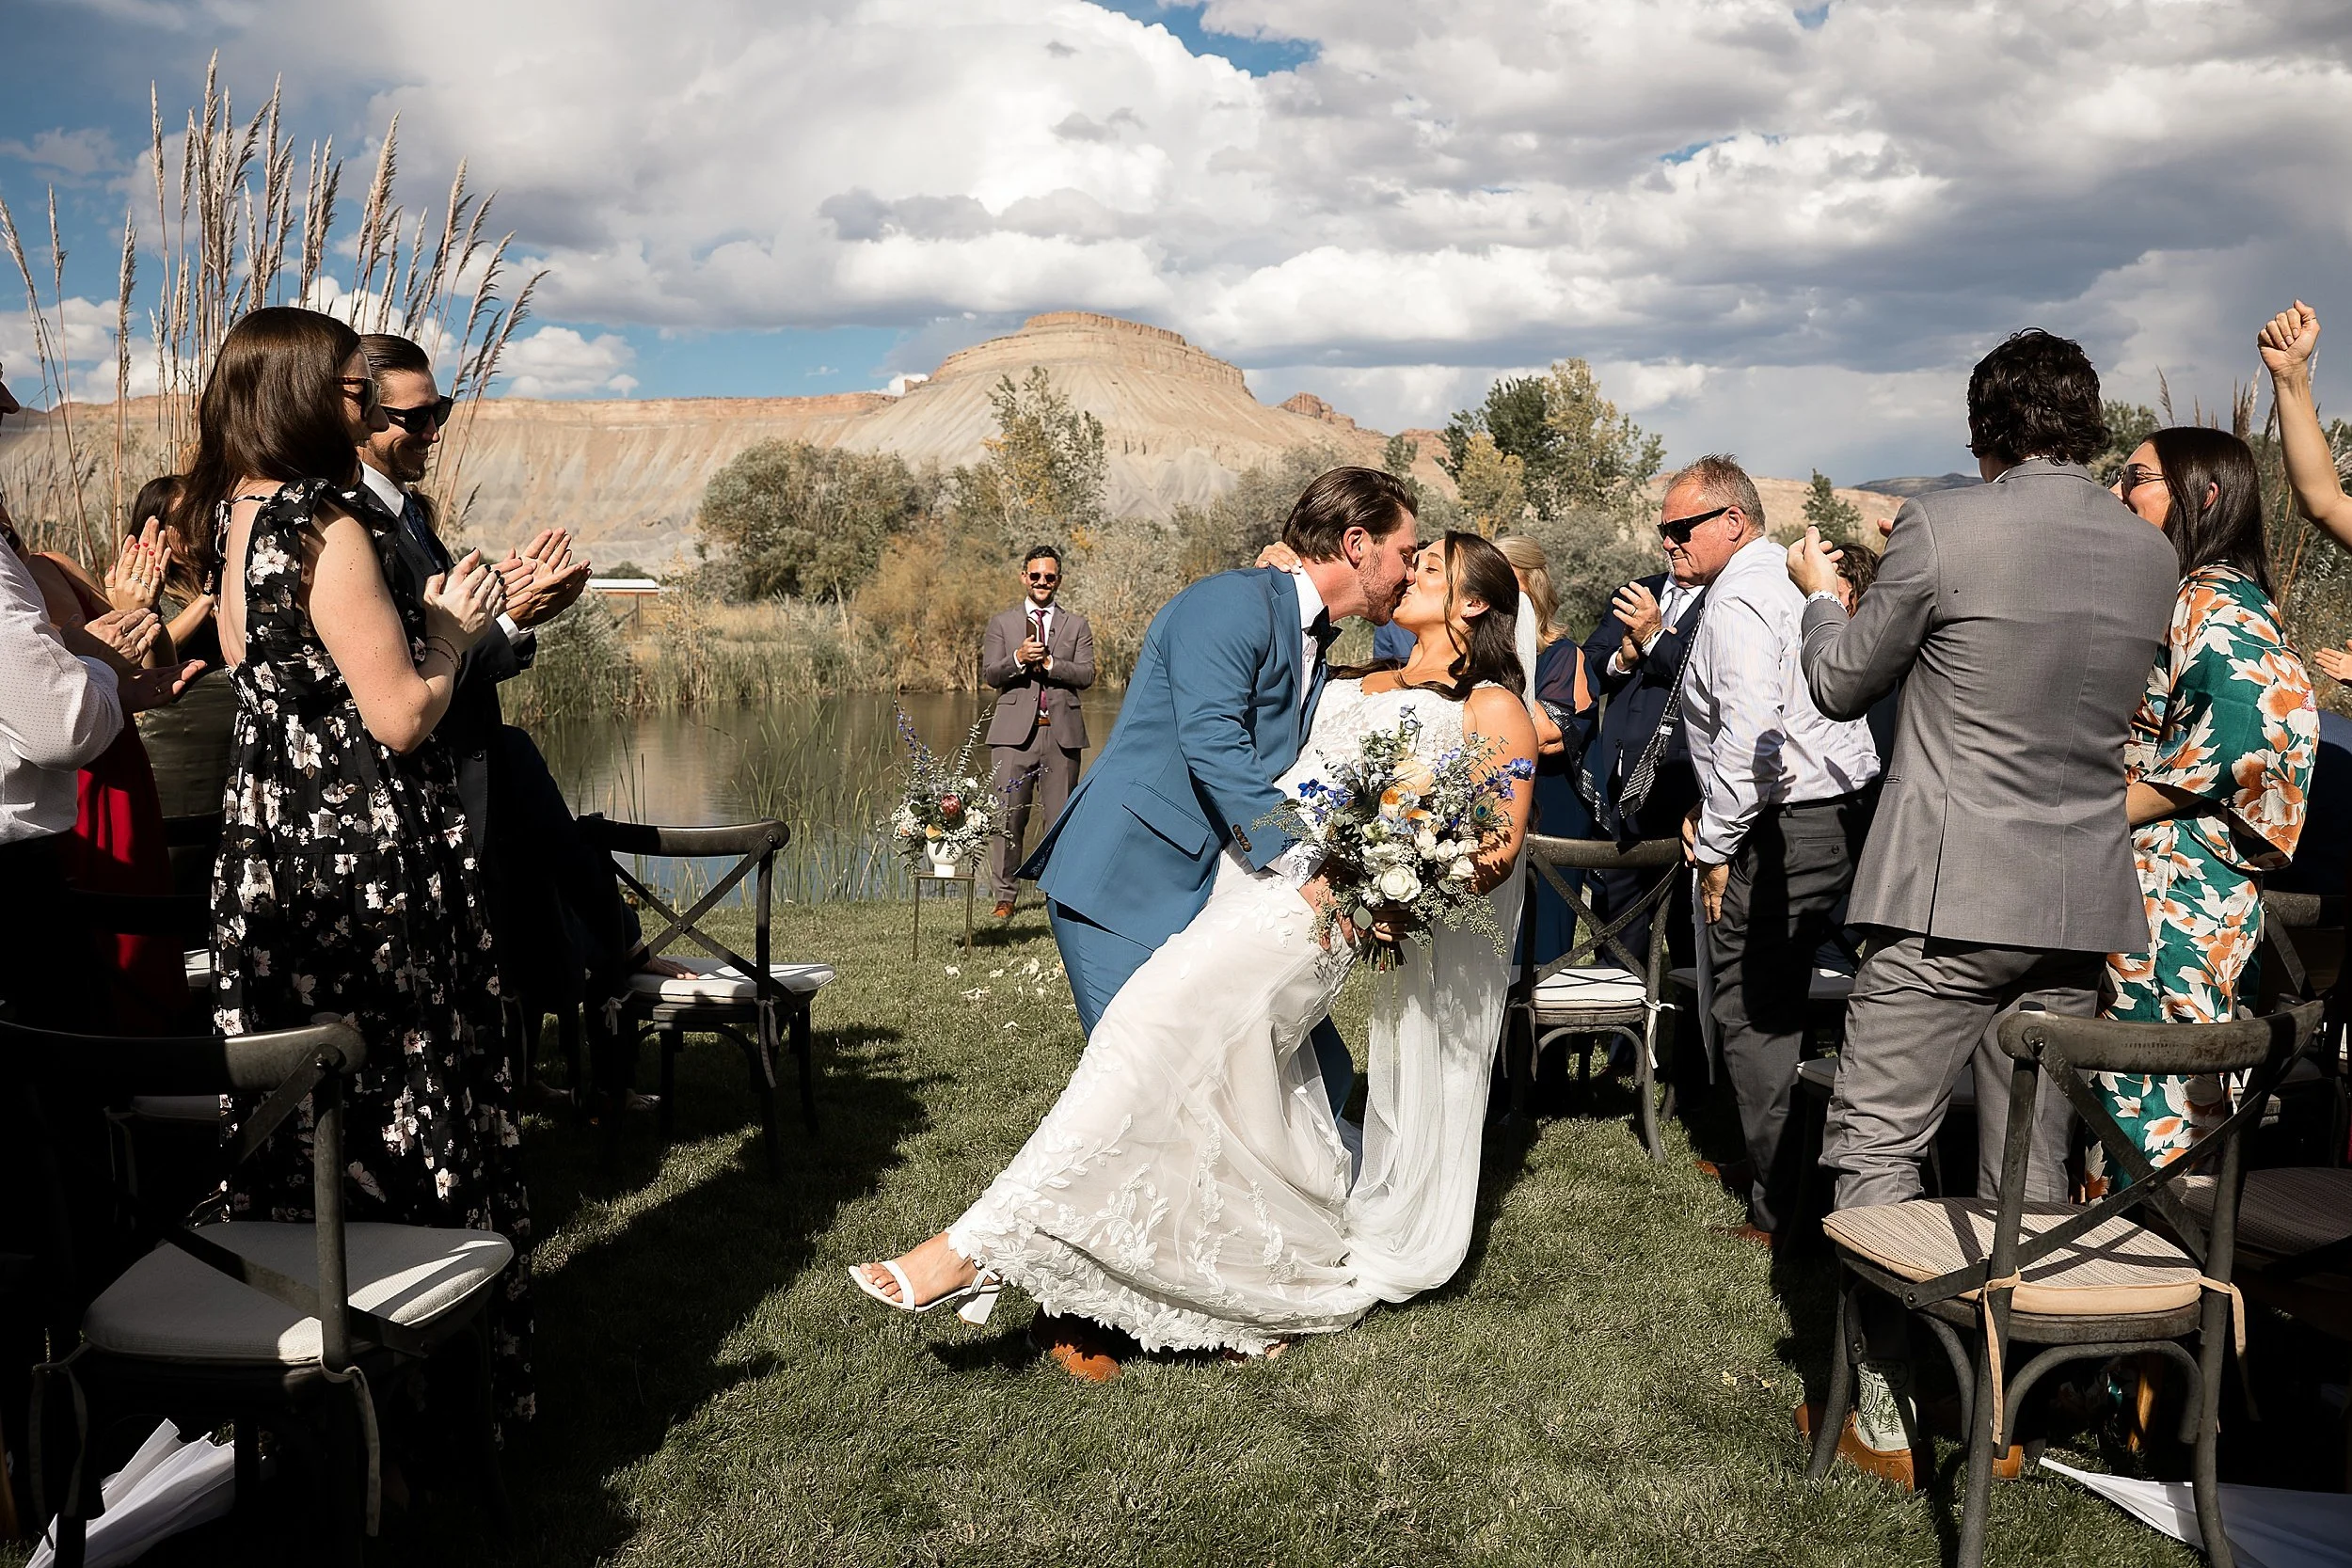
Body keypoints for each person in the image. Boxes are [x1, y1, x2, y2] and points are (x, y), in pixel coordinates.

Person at [852, 533, 1537, 1367]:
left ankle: (976, 1245)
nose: (1408, 574)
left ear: (1473, 603)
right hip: (1239, 884)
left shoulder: (1494, 707)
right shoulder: (1360, 676)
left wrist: (1394, 882)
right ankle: (1252, 1282)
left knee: (1148, 1030)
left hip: (1317, 909)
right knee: (1229, 1081)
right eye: (1409, 555)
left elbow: (1497, 849)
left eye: (1429, 568)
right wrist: (1272, 585)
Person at [1786, 326, 2178, 1481]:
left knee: (1874, 1142)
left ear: (1982, 429)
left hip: (1944, 898)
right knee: (2029, 1172)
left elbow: (1837, 678)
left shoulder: (1943, 524)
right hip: (2075, 903)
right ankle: (2009, 1413)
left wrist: (1820, 596)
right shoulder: (2145, 553)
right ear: (2086, 423)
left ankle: (1886, 1410)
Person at [185, 306, 533, 1427]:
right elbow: (399, 714)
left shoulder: (231, 516)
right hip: (362, 857)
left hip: (268, 856)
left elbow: (258, 669)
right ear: (300, 396)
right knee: (405, 1087)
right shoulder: (322, 526)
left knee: (305, 1108)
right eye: (351, 390)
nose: (370, 407)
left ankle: (301, 1371)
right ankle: (428, 1380)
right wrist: (454, 630)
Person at [2082, 428, 2316, 1196]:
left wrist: (2116, 809)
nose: (2119, 493)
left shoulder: (2211, 595)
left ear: (2203, 495)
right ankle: (2152, 1281)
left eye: (2136, 477)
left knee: (2152, 1099)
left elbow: (2254, 730)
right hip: (2170, 882)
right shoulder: (2196, 591)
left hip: (2173, 890)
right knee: (2157, 1097)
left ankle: (2140, 1280)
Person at [1673, 456, 1879, 1243]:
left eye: (1680, 528)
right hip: (1840, 813)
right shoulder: (1783, 582)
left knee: (1754, 1012)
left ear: (1734, 521)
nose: (1668, 543)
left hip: (1783, 826)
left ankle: (1784, 1207)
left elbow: (1752, 734)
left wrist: (1719, 841)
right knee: (1785, 1005)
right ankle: (1794, 1171)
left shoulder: (1738, 600)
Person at [9, 515, 192, 1030]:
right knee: (94, 930)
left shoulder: (55, 566)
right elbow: (45, 706)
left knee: (146, 907)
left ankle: (160, 1046)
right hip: (70, 772)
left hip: (120, 754)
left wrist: (143, 611)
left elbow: (150, 664)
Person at [1580, 516, 1708, 974]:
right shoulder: (1638, 590)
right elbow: (1588, 666)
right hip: (1620, 794)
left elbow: (1705, 676)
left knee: (1693, 943)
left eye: (1682, 531)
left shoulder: (1726, 601)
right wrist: (1624, 657)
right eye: (1662, 530)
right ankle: (1621, 1039)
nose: (1668, 542)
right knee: (1617, 937)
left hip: (1686, 796)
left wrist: (1655, 636)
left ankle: (1687, 1044)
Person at [980, 545, 1095, 919]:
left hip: (1061, 735)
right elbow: (991, 674)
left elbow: (1086, 675)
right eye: (1035, 576)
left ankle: (1056, 896)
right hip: (1013, 737)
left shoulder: (1077, 625)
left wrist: (1049, 663)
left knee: (1059, 819)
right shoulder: (1002, 623)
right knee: (1007, 818)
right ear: (1023, 577)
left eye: (1049, 577)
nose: (1042, 582)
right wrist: (1018, 659)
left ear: (1058, 580)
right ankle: (1005, 897)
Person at [1495, 534, 1593, 961]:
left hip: (1549, 817)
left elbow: (1545, 736)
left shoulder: (1563, 656)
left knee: (1540, 948)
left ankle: (1539, 1030)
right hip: (1488, 812)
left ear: (1531, 587)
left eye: (1504, 582)